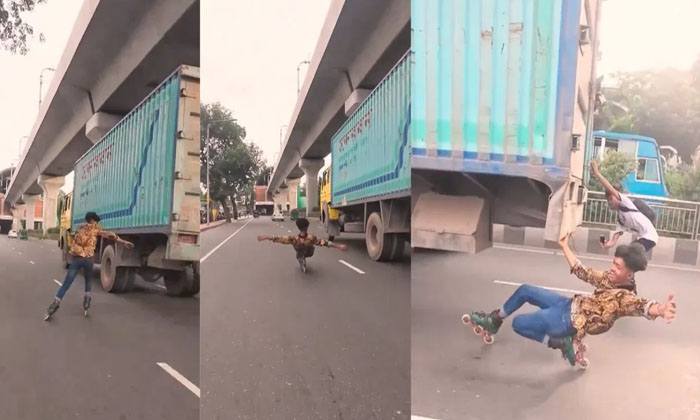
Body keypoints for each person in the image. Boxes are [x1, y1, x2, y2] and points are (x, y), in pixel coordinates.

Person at [464, 233, 676, 366]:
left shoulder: (625, 298)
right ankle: (494, 321)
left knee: (519, 324)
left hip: (568, 322)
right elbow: (581, 271)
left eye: (618, 267)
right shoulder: (609, 280)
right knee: (525, 290)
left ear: (629, 275)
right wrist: (564, 246)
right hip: (567, 304)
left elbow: (643, 307)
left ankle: (558, 342)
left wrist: (661, 309)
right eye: (613, 263)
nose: (612, 268)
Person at [44, 212, 134, 320]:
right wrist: (123, 242)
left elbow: (74, 243)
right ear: (92, 220)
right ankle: (87, 301)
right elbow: (110, 235)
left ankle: (55, 304)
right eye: (96, 220)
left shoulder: (79, 228)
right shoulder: (95, 229)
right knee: (88, 280)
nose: (97, 222)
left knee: (66, 284)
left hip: (77, 259)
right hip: (88, 260)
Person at [590, 160, 658, 251]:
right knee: (626, 254)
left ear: (617, 197)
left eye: (610, 199)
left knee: (629, 254)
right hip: (643, 237)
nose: (609, 202)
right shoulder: (621, 219)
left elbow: (609, 187)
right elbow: (614, 240)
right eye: (607, 201)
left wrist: (597, 173)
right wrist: (607, 244)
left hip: (650, 236)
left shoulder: (626, 203)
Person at [257, 217, 347, 272]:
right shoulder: (311, 238)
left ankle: (300, 258)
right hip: (309, 252)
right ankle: (302, 257)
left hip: (300, 251)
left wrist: (265, 237)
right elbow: (325, 243)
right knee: (312, 246)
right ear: (307, 227)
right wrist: (339, 246)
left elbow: (279, 238)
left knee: (298, 251)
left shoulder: (294, 239)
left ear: (299, 228)